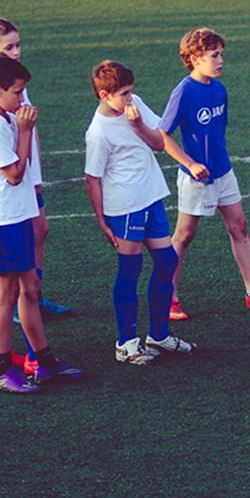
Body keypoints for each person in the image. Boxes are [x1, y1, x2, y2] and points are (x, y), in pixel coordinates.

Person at [0, 55, 83, 392]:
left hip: (16, 215)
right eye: (18, 93)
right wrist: (25, 131)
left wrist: (21, 129)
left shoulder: (3, 116)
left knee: (30, 288)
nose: (23, 100)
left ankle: (44, 361)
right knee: (7, 293)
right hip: (2, 219)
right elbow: (15, 174)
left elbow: (24, 164)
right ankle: (1, 369)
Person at [158, 28, 250, 319]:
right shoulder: (184, 92)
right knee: (184, 235)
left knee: (239, 226)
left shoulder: (219, 89)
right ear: (194, 58)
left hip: (223, 171)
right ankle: (167, 298)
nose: (220, 61)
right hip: (197, 178)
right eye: (214, 55)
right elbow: (162, 135)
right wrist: (190, 164)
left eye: (221, 55)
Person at [84, 61, 196, 364]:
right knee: (130, 270)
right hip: (126, 207)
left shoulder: (135, 107)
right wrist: (102, 220)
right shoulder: (98, 133)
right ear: (105, 95)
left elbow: (159, 143)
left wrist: (137, 125)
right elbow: (92, 179)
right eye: (124, 93)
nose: (131, 98)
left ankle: (158, 336)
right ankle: (126, 343)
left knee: (168, 260)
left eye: (131, 91)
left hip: (151, 198)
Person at [0, 18, 73, 314]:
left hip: (23, 174)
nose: (17, 51)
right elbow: (12, 141)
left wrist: (36, 174)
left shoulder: (14, 82)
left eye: (18, 45)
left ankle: (31, 296)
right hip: (3, 193)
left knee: (40, 231)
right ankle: (15, 306)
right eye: (9, 47)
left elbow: (27, 130)